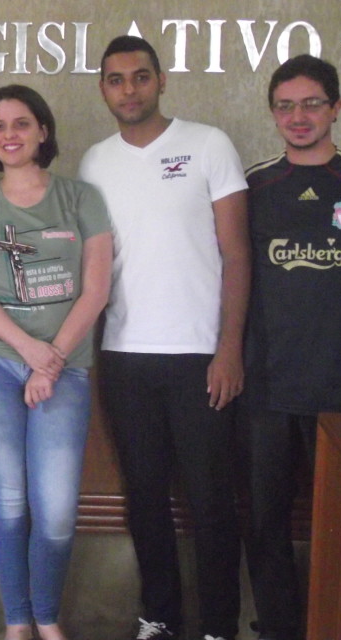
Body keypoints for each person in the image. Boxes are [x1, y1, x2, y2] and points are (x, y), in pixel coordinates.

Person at [79, 35, 250, 640]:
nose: (129, 89)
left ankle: (220, 626)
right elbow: (93, 266)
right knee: (145, 499)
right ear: (103, 89)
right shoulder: (94, 163)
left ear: (162, 80)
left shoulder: (208, 144)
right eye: (116, 79)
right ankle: (159, 616)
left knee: (210, 501)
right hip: (125, 357)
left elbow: (237, 254)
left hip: (201, 357)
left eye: (140, 76)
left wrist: (229, 348)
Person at [0, 85, 112, 640]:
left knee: (57, 510)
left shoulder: (82, 199)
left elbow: (96, 290)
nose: (10, 135)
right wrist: (29, 352)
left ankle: (48, 615)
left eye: (21, 123)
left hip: (64, 365)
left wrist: (52, 361)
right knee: (10, 499)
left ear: (43, 131)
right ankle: (19, 624)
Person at [242, 54, 341, 640]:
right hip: (267, 387)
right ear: (273, 114)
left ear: (337, 107)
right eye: (286, 106)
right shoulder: (254, 187)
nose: (299, 116)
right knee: (265, 522)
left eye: (312, 103)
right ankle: (278, 628)